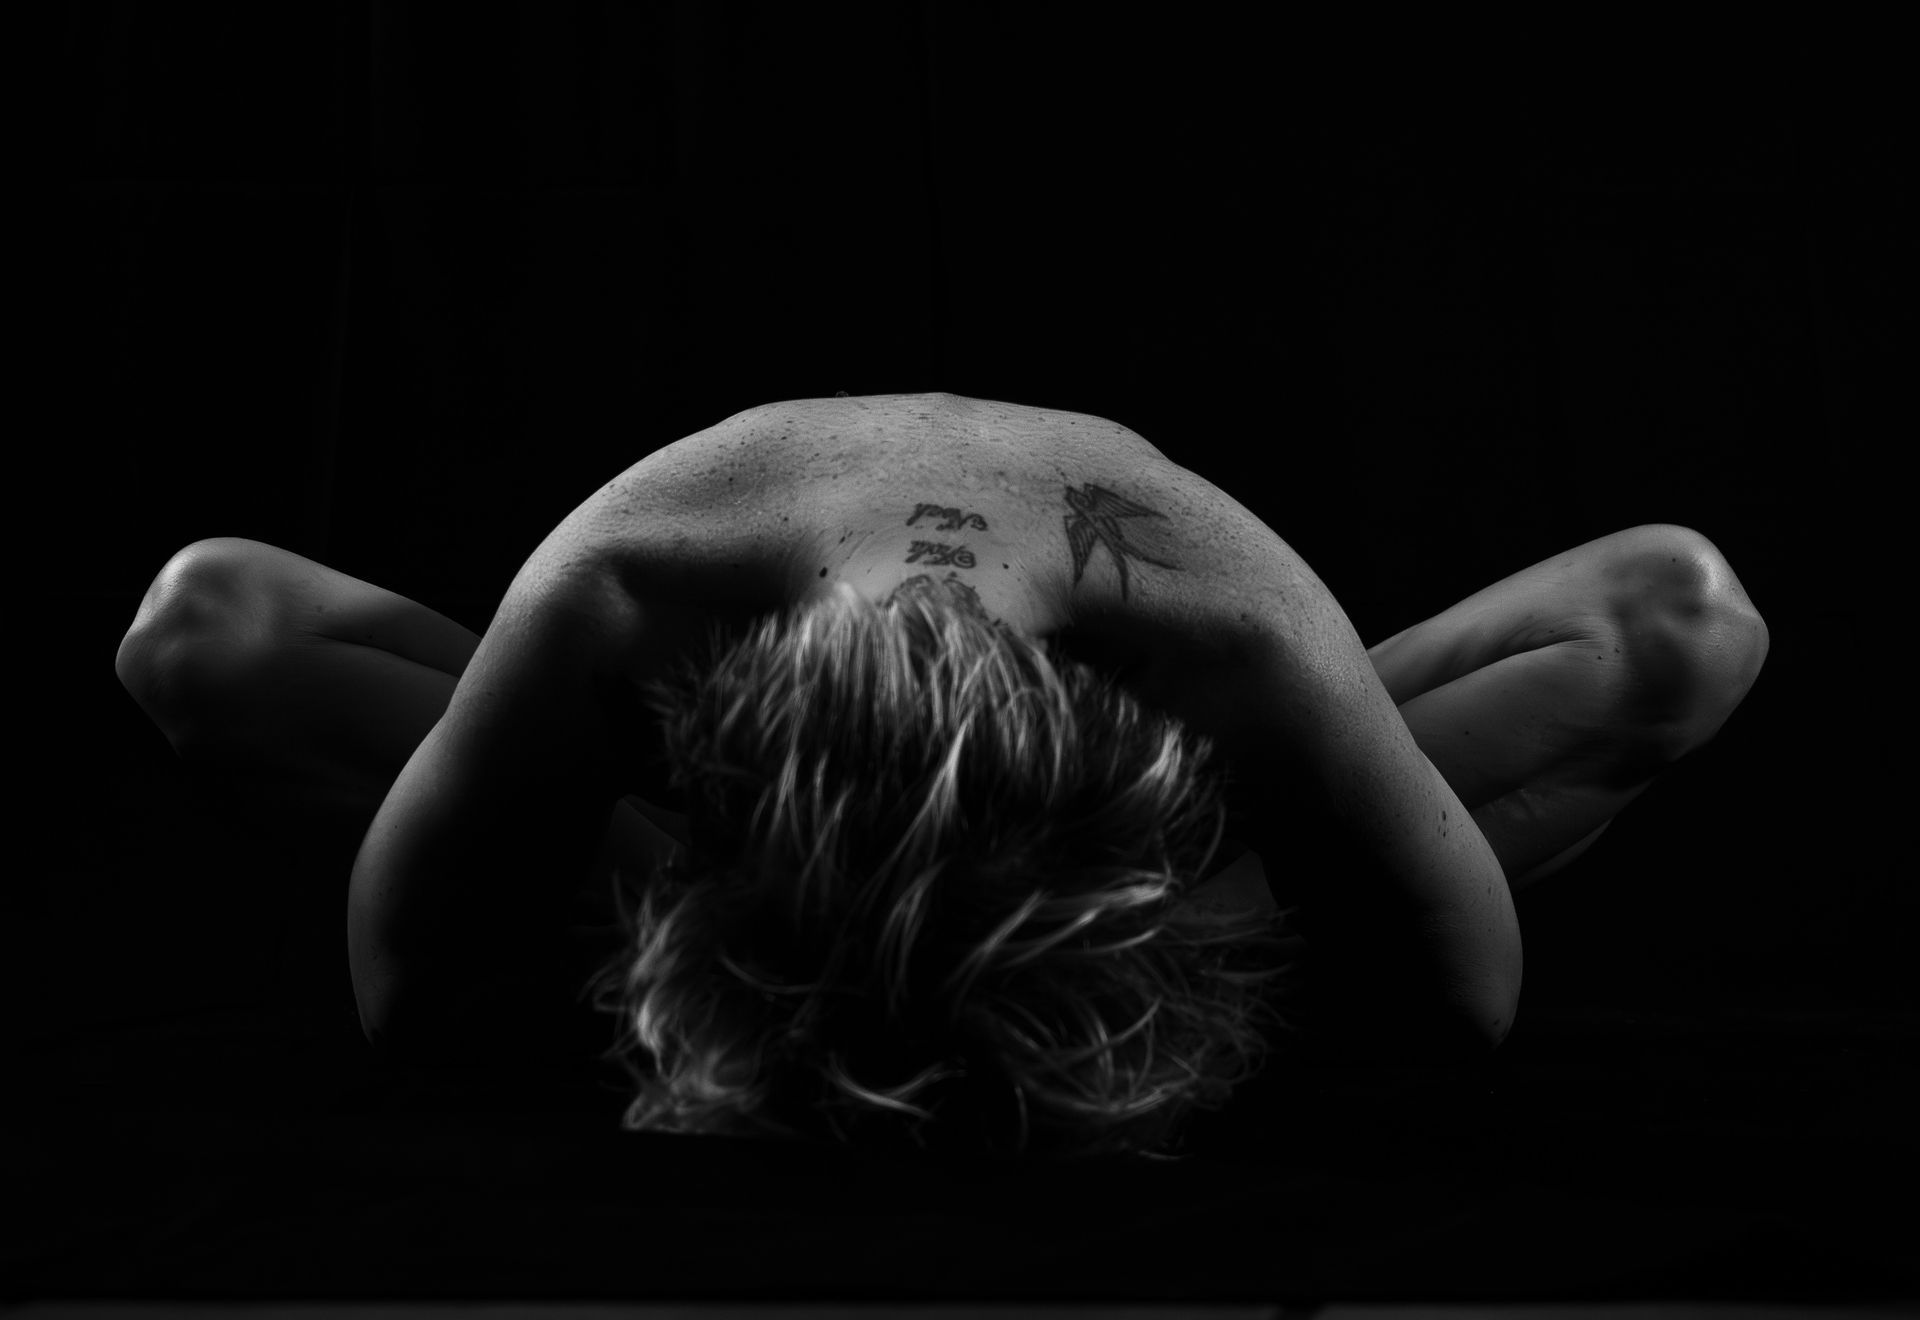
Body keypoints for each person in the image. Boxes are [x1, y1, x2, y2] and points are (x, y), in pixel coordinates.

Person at [115, 392, 1769, 1157]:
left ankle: (1024, 948)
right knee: (201, 631)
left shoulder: (1227, 627)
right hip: (732, 867)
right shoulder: (630, 585)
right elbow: (406, 993)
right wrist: (768, 940)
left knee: (1682, 621)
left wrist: (1088, 953)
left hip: (1120, 878)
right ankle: (835, 938)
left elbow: (1464, 1000)